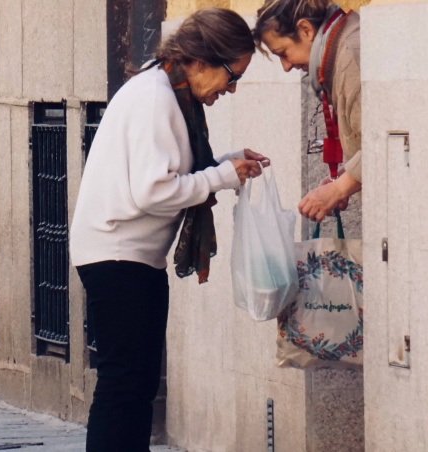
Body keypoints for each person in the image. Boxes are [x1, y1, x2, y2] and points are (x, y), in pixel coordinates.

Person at [69, 8, 269, 452]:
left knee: (136, 385)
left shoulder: (168, 91)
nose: (230, 88)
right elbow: (154, 190)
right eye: (230, 75)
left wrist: (229, 162)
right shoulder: (157, 96)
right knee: (124, 384)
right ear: (200, 60)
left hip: (131, 255)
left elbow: (176, 171)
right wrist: (222, 176)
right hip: (117, 252)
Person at [254, 0, 362, 223]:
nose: (286, 66)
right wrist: (347, 177)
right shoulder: (341, 48)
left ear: (306, 30)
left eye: (283, 52)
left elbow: (382, 144)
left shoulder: (350, 56)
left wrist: (339, 189)